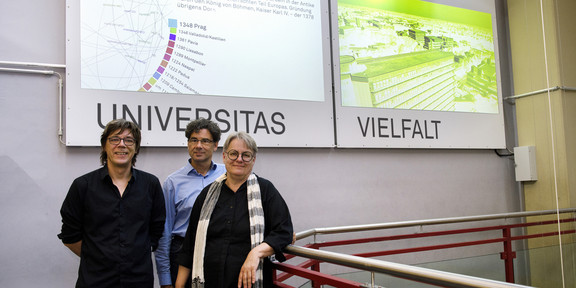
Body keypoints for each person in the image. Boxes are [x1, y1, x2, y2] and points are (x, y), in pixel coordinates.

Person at [175, 131, 294, 288]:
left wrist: (256, 253)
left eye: (246, 155)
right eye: (233, 154)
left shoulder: (266, 191)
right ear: (224, 156)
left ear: (253, 160)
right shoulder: (206, 195)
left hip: (249, 283)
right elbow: (189, 246)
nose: (239, 159)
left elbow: (284, 231)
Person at [58, 119, 166, 288]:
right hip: (95, 281)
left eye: (129, 140)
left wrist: (134, 254)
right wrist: (98, 257)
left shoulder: (151, 184)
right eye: (115, 139)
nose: (121, 145)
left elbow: (156, 230)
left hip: (138, 280)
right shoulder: (82, 186)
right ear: (104, 146)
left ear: (136, 148)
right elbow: (70, 236)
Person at [155, 118, 226, 288]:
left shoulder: (228, 173)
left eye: (205, 141)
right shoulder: (172, 182)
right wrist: (165, 279)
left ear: (215, 145)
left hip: (219, 252)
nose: (198, 145)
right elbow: (164, 233)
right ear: (188, 144)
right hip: (183, 256)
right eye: (194, 140)